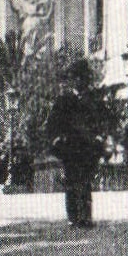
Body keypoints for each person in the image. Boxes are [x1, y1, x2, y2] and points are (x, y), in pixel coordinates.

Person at [46, 60, 110, 227]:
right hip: (70, 148)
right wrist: (57, 140)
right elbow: (52, 125)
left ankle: (86, 216)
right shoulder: (63, 101)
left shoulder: (95, 100)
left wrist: (100, 137)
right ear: (72, 80)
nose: (80, 81)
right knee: (72, 181)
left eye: (83, 77)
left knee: (86, 181)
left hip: (89, 148)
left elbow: (104, 121)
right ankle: (74, 217)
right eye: (76, 78)